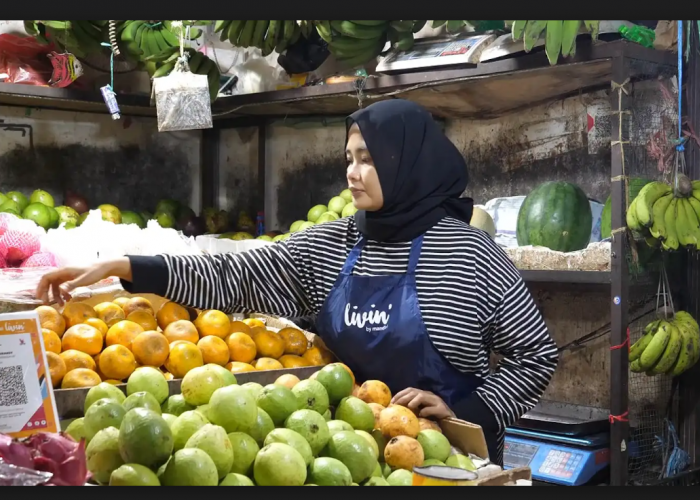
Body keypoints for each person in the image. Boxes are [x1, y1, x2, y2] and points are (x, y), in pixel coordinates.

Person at [37, 99, 558, 465]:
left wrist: (469, 411)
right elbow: (234, 275)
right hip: (341, 452)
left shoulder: (468, 254)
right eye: (349, 159)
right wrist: (126, 268)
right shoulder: (333, 244)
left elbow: (535, 356)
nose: (353, 174)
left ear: (409, 165)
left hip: (450, 460)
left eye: (370, 160)